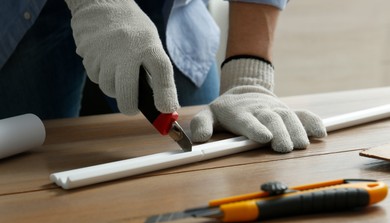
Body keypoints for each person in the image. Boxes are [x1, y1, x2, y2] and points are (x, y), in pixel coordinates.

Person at [0, 0, 326, 153]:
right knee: (26, 161)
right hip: (31, 9)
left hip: (169, 10)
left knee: (198, 161)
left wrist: (248, 76)